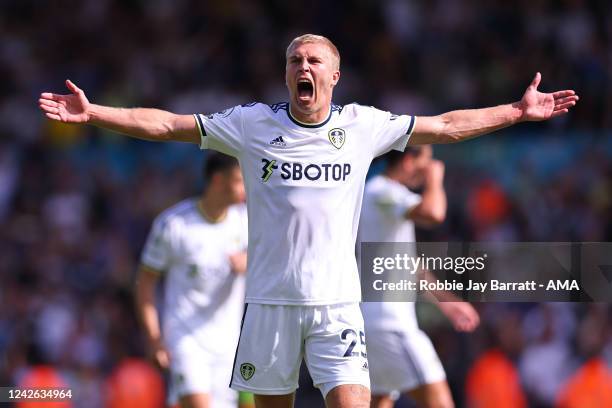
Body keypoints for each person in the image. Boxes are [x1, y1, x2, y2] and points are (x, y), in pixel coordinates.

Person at [38, 33, 578, 408]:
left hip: (337, 306)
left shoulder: (364, 126)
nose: (303, 68)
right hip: (269, 305)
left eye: (314, 61)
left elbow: (447, 125)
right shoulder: (250, 124)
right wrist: (97, 114)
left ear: (335, 75)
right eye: (295, 60)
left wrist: (515, 111)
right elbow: (168, 124)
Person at [358, 145, 480, 408]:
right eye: (427, 159)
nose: (430, 166)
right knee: (440, 402)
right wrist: (435, 181)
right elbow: (434, 213)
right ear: (409, 160)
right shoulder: (382, 191)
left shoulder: (381, 197)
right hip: (390, 325)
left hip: (375, 323)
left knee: (379, 401)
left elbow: (407, 263)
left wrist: (447, 301)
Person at [135, 152, 249, 408]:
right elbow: (145, 283)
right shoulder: (173, 225)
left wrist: (249, 262)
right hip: (186, 341)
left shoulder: (246, 223)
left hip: (229, 344)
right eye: (240, 180)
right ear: (218, 180)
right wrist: (154, 337)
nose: (246, 188)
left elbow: (275, 261)